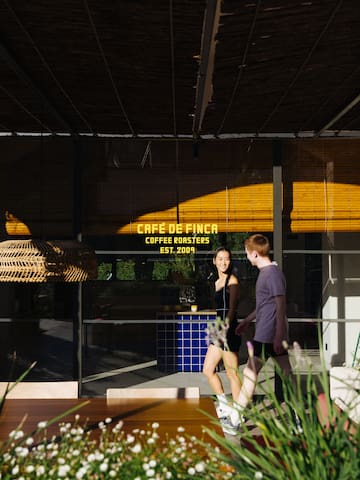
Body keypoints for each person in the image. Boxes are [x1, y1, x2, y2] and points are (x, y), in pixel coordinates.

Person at [225, 234, 291, 433]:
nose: (246, 257)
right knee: (287, 375)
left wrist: (279, 334)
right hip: (268, 332)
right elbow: (264, 305)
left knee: (249, 373)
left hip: (268, 334)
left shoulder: (271, 274)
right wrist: (246, 321)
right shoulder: (267, 273)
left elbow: (281, 305)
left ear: (254, 253)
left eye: (247, 253)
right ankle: (296, 420)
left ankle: (235, 420)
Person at [202, 246, 242, 431]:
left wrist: (226, 326)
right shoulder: (216, 282)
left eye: (226, 259)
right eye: (220, 259)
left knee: (232, 373)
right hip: (219, 329)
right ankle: (225, 406)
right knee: (208, 369)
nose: (223, 262)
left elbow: (232, 308)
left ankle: (238, 415)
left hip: (229, 328)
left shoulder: (232, 280)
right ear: (214, 261)